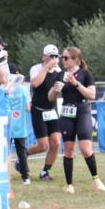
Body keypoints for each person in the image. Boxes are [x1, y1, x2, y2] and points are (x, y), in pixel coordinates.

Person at [49, 47, 105, 194]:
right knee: (69, 150)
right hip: (67, 113)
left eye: (66, 58)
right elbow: (50, 98)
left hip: (82, 112)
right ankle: (69, 185)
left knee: (86, 149)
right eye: (63, 57)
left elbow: (92, 95)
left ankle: (96, 180)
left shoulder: (85, 74)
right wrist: (55, 90)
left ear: (76, 60)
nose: (63, 60)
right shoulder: (60, 74)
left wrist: (76, 83)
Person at [29, 44, 63, 181]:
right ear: (44, 57)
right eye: (51, 56)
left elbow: (59, 91)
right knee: (43, 146)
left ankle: (45, 172)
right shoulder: (36, 68)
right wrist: (46, 68)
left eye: (56, 56)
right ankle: (23, 155)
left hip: (52, 110)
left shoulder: (58, 70)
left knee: (56, 143)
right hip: (38, 110)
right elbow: (35, 84)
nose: (54, 59)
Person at [6, 71, 31, 186]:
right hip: (20, 126)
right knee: (21, 153)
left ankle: (6, 177)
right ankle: (26, 178)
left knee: (6, 153)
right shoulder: (23, 89)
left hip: (7, 124)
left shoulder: (4, 88)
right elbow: (27, 108)